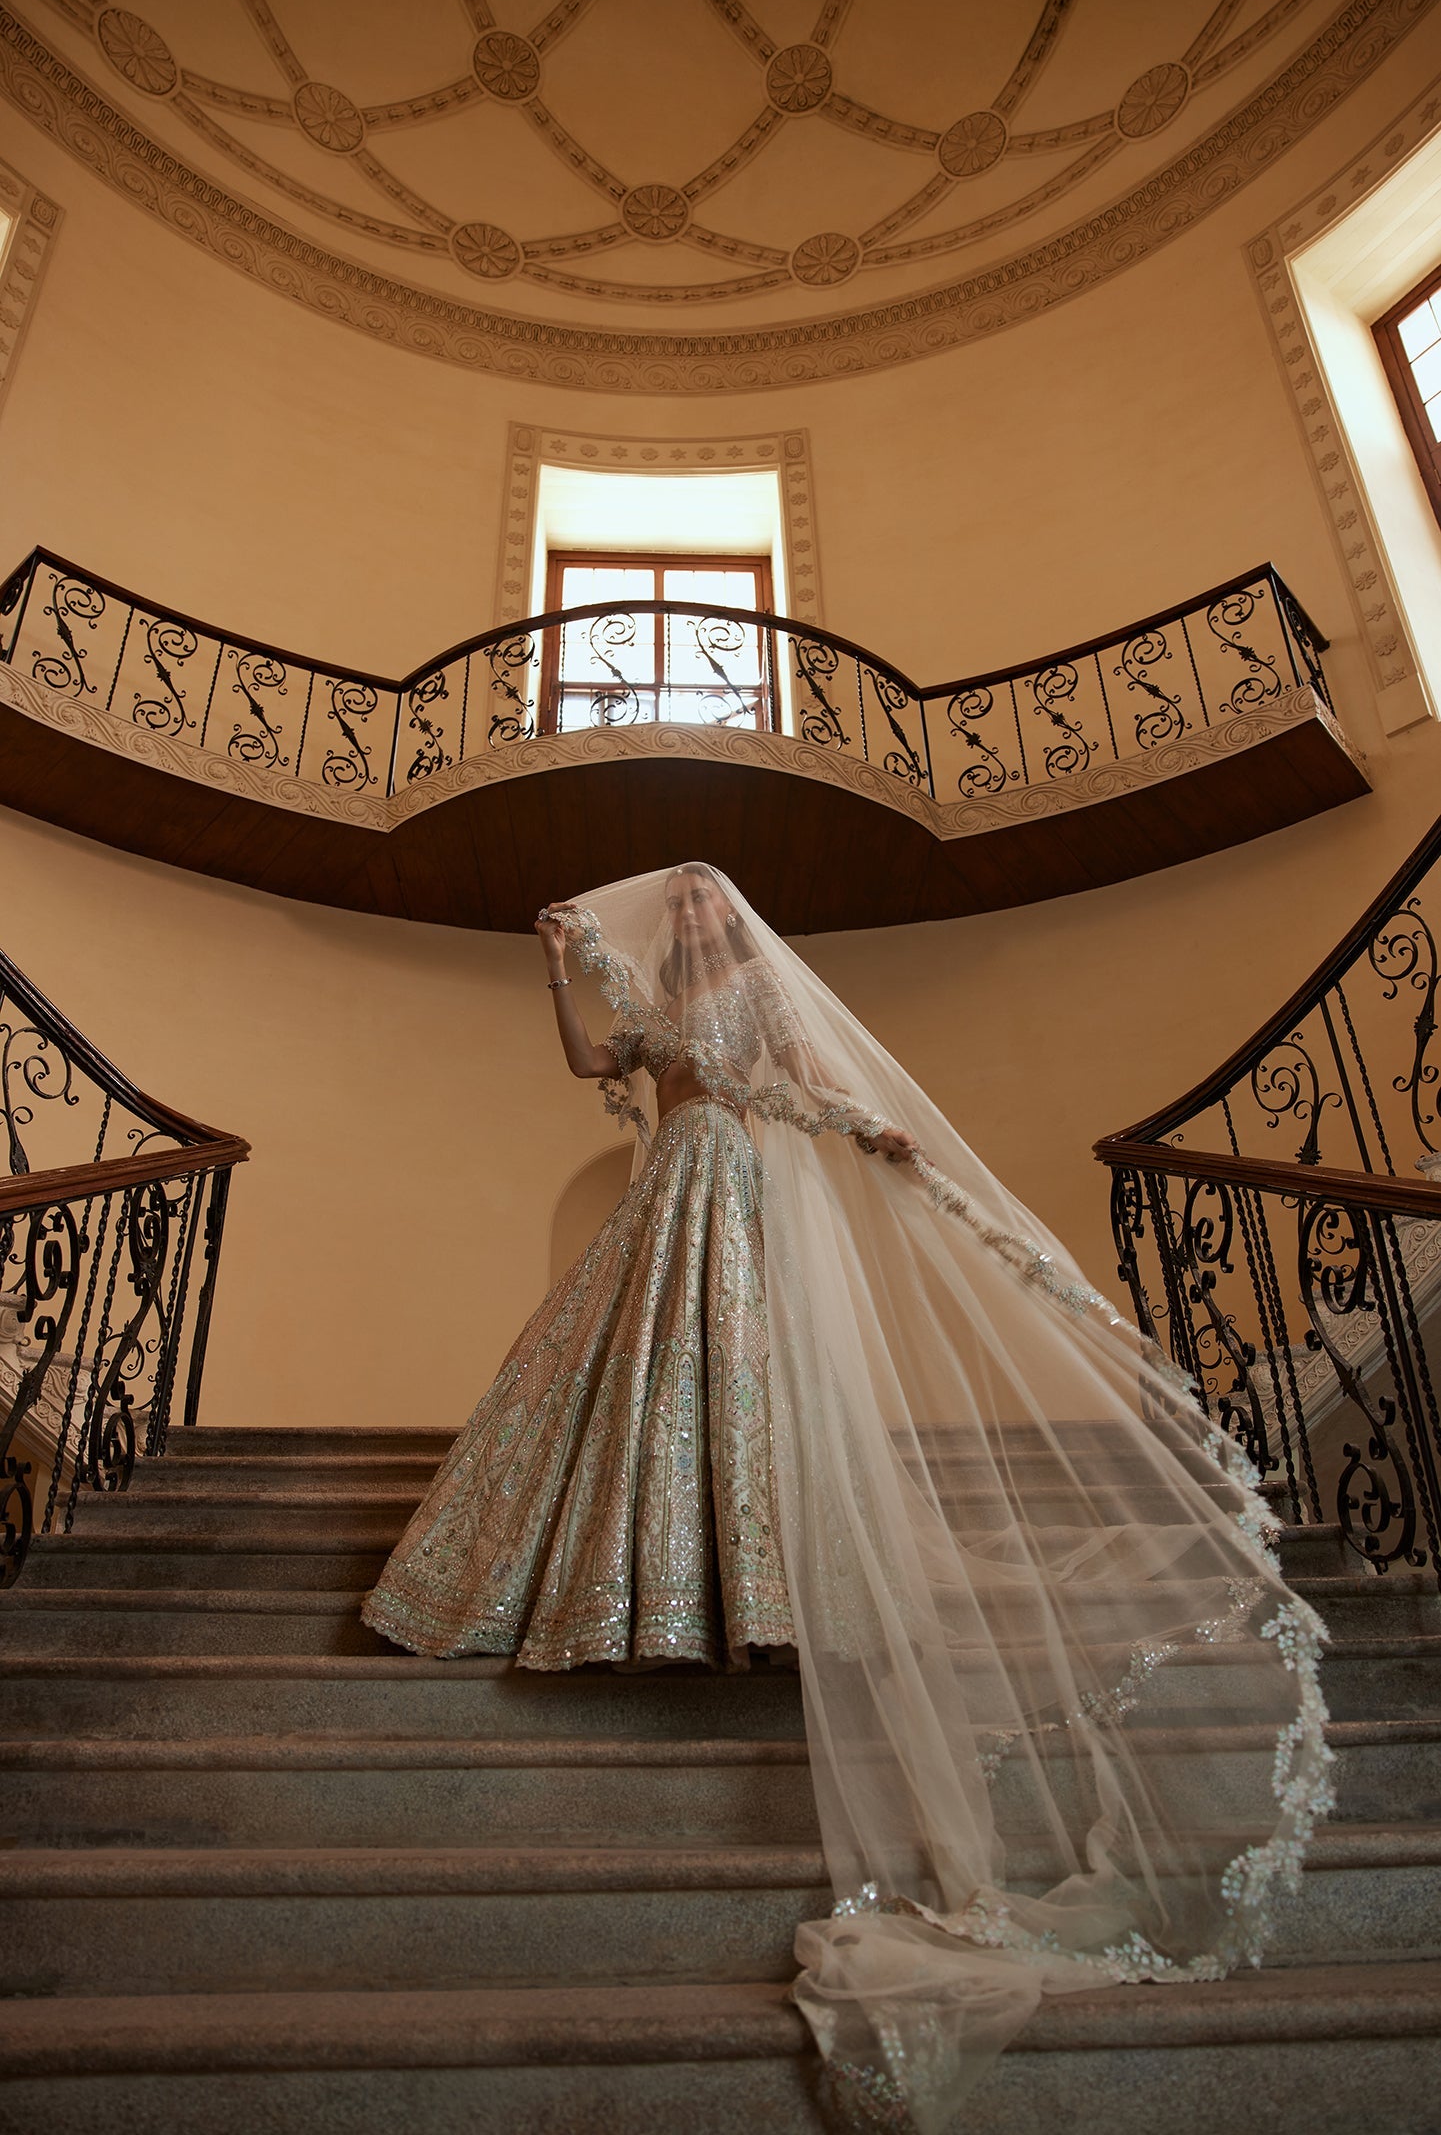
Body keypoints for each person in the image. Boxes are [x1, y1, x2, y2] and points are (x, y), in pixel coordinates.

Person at [363, 862, 1332, 2134]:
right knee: (634, 1375)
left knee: (740, 1377)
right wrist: (550, 967)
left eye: (712, 905)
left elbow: (804, 1078)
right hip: (670, 1188)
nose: (699, 919)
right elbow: (589, 1066)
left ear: (733, 917)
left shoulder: (760, 993)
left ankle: (745, 1589)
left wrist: (863, 1128)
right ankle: (630, 1590)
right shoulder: (653, 1011)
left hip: (739, 1186)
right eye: (689, 908)